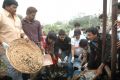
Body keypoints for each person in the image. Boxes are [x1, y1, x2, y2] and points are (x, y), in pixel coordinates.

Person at [0, 0, 24, 80]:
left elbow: (20, 30)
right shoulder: (1, 15)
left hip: (17, 49)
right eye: (14, 7)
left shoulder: (17, 18)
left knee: (18, 67)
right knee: (12, 67)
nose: (15, 9)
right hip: (5, 49)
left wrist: (24, 36)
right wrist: (2, 42)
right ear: (6, 6)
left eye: (16, 8)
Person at [21, 7, 43, 80]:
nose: (34, 17)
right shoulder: (22, 22)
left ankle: (38, 78)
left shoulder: (37, 23)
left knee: (37, 64)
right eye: (32, 15)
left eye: (35, 15)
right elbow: (20, 33)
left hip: (36, 46)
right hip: (26, 47)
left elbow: (40, 36)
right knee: (25, 64)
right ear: (27, 14)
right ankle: (26, 78)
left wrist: (41, 45)